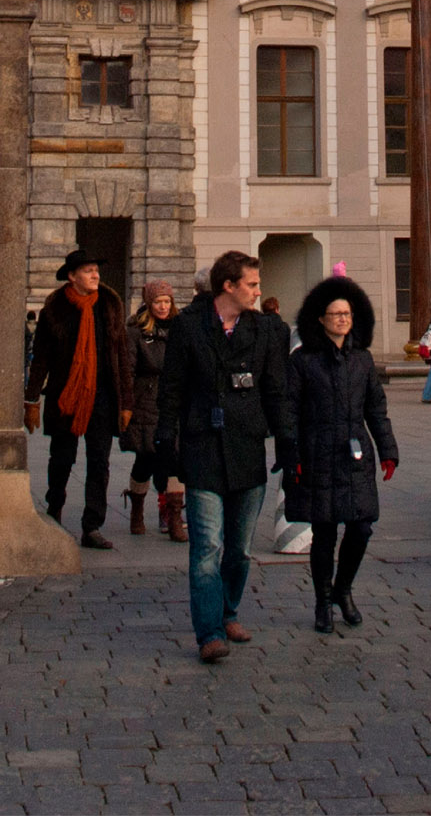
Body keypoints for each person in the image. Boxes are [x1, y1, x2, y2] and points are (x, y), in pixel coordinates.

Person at [156, 250, 295, 663]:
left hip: (247, 448)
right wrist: (166, 443)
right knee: (206, 547)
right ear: (228, 286)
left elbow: (276, 391)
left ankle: (229, 610)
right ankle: (209, 632)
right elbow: (172, 390)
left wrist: (287, 442)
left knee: (238, 550)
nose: (258, 291)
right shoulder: (188, 327)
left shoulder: (265, 330)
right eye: (251, 285)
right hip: (202, 449)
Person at [286, 277, 399, 633]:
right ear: (319, 319)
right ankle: (323, 601)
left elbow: (376, 411)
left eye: (346, 313)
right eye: (335, 314)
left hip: (355, 452)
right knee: (324, 533)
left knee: (361, 527)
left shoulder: (362, 360)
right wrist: (292, 454)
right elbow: (290, 411)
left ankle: (343, 589)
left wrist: (388, 451)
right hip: (318, 451)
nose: (341, 319)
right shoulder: (303, 361)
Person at [24, 250, 134, 550]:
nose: (96, 275)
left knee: (99, 462)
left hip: (103, 396)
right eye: (88, 270)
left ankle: (92, 526)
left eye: (96, 269)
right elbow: (41, 359)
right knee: (61, 459)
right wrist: (32, 400)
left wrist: (126, 401)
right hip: (66, 397)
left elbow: (122, 355)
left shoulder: (110, 305)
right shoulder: (54, 310)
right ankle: (54, 511)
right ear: (72, 276)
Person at [123, 281, 184, 541]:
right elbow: (128, 369)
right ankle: (137, 509)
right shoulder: (136, 331)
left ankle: (174, 518)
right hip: (146, 401)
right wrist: (127, 405)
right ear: (149, 303)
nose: (163, 306)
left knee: (174, 460)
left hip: (174, 402)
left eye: (167, 301)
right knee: (146, 458)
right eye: (158, 301)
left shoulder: (180, 329)